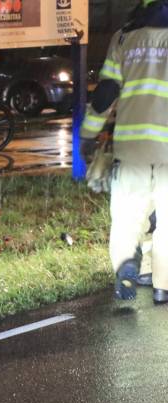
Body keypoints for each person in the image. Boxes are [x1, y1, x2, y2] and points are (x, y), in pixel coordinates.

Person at [80, 0, 168, 303]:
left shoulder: (123, 38)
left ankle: (128, 264)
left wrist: (88, 134)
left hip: (131, 146)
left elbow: (106, 93)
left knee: (128, 215)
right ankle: (162, 285)